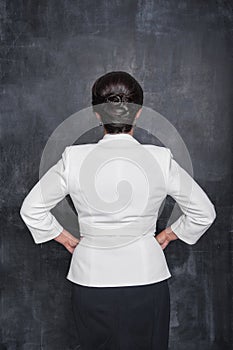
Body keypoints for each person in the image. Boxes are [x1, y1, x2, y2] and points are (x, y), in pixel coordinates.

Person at [19, 71, 216, 350]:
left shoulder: (73, 158)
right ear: (138, 114)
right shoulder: (160, 159)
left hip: (90, 281)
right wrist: (168, 235)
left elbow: (32, 209)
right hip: (147, 278)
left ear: (96, 114)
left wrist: (64, 237)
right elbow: (204, 213)